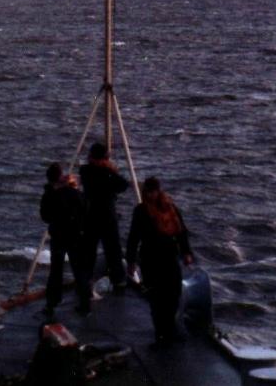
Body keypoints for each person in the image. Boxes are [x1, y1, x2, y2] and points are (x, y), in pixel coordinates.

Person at [126, 176, 194, 345]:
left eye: (154, 191)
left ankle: (169, 327)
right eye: (148, 192)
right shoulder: (141, 211)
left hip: (169, 256)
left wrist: (186, 252)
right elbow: (133, 237)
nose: (151, 195)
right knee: (156, 297)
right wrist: (131, 261)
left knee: (173, 294)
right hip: (150, 258)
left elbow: (181, 232)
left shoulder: (171, 209)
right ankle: (161, 333)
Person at [40, 162, 90, 316]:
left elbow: (45, 216)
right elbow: (85, 208)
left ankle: (51, 304)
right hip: (74, 236)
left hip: (58, 236)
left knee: (56, 271)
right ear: (61, 177)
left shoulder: (49, 195)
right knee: (79, 270)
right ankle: (85, 304)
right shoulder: (72, 192)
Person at [79, 142, 129, 292]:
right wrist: (111, 170)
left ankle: (85, 281)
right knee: (113, 250)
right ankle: (118, 281)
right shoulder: (106, 174)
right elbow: (123, 185)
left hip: (90, 216)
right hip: (107, 216)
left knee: (89, 251)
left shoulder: (85, 171)